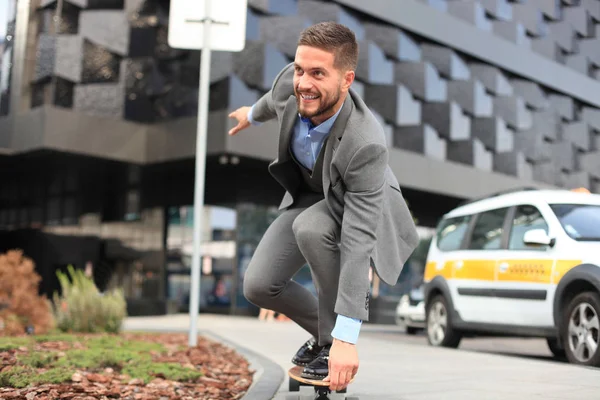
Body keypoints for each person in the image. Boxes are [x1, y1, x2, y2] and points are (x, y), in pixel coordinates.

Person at [228, 21, 419, 391]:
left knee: (311, 228)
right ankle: (323, 336)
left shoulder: (367, 143)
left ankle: (332, 342)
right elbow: (274, 99)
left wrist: (346, 340)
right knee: (259, 285)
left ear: (347, 80)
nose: (304, 82)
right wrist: (250, 115)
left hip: (355, 202)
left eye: (318, 73)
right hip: (311, 195)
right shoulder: (293, 81)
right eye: (300, 70)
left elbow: (359, 240)